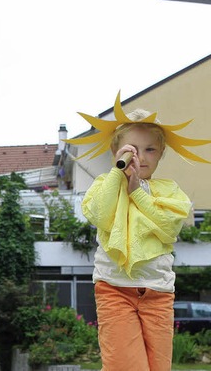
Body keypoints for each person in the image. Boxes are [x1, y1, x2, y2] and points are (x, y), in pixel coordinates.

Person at [66, 92, 211, 371]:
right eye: (132, 149)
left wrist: (138, 193)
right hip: (114, 289)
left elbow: (168, 227)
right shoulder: (104, 184)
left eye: (150, 150)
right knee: (125, 365)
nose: (141, 158)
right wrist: (118, 177)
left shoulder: (170, 191)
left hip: (159, 292)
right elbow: (100, 215)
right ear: (116, 152)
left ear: (162, 153)